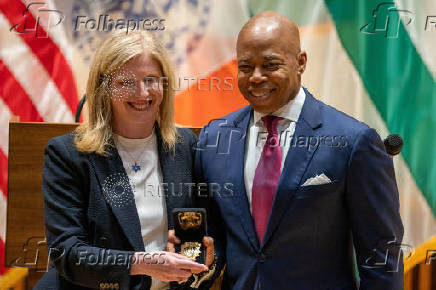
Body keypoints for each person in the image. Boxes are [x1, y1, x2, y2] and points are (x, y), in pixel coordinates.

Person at [192, 11, 404, 290]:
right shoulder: (213, 139)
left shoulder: (354, 142)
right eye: (245, 67)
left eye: (270, 64)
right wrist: (198, 258)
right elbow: (214, 238)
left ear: (301, 62)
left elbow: (381, 256)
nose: (256, 77)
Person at [35, 30, 213, 290]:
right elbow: (66, 253)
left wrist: (206, 256)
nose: (142, 93)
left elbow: (208, 233)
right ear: (104, 88)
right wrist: (142, 263)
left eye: (151, 79)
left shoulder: (185, 145)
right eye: (126, 82)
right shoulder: (68, 154)